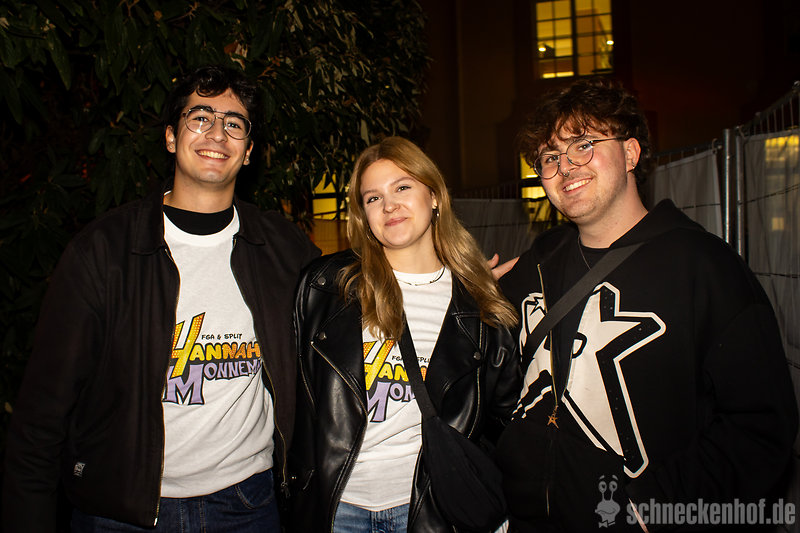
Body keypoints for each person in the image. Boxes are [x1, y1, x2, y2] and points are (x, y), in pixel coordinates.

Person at [2, 64, 320, 532]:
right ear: (171, 137)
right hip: (121, 512)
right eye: (200, 117)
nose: (217, 133)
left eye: (234, 123)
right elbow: (41, 414)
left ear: (249, 151)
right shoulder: (105, 251)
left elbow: (349, 330)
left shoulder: (283, 250)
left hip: (248, 506)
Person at [496, 78, 798, 532]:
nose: (565, 167)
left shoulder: (704, 267)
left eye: (583, 145)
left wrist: (655, 505)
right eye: (550, 157)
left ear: (631, 153)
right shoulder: (537, 262)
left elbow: (761, 427)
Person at [288, 136, 520, 532]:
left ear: (434, 197)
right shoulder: (325, 288)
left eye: (402, 187)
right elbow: (297, 399)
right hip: (338, 510)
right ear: (363, 215)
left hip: (431, 511)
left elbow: (505, 423)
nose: (389, 205)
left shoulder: (480, 306)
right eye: (373, 197)